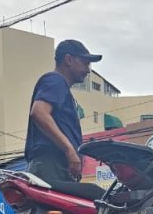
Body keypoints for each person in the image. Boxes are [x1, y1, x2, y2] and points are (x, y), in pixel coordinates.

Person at [24, 39, 104, 200]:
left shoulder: (60, 87)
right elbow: (39, 112)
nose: (88, 70)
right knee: (99, 197)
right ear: (68, 59)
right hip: (50, 167)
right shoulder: (56, 80)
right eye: (85, 63)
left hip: (52, 168)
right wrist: (70, 151)